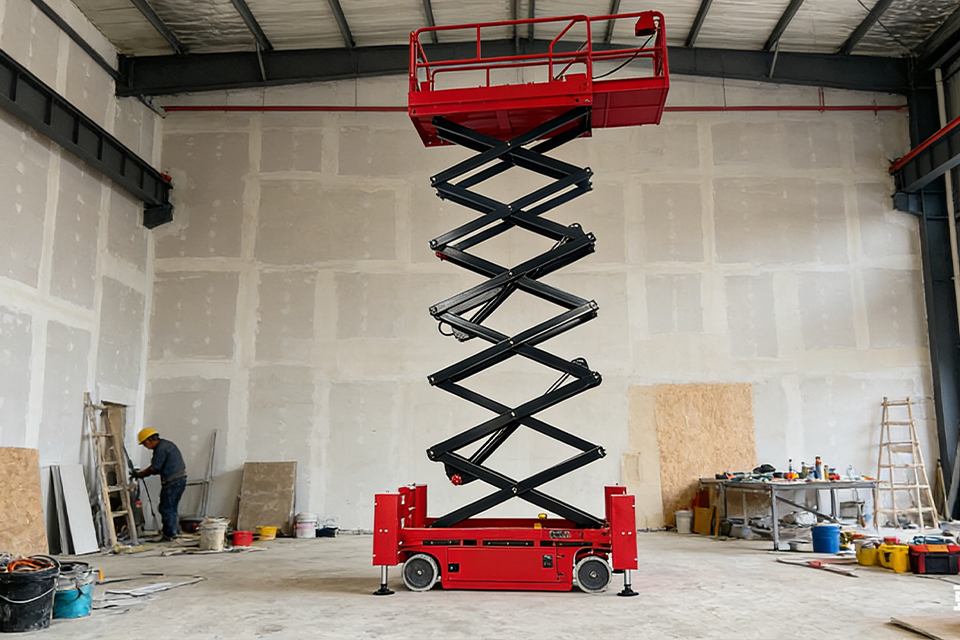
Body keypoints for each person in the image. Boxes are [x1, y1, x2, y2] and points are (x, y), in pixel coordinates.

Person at [133, 428, 187, 541]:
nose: (145, 446)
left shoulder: (160, 448)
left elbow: (155, 468)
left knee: (166, 508)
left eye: (144, 443)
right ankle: (173, 532)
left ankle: (169, 535)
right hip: (179, 480)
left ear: (150, 439)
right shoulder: (167, 444)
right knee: (172, 507)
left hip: (172, 482)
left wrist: (141, 474)